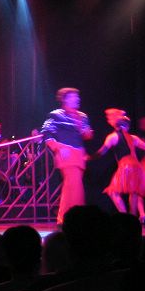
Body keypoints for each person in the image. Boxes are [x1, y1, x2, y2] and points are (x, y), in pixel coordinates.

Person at [91, 109, 145, 222]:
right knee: (134, 192)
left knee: (113, 192)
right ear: (127, 126)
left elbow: (101, 152)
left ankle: (125, 217)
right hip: (137, 166)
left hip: (125, 165)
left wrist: (88, 157)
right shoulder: (133, 138)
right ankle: (132, 217)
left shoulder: (112, 136)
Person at [40, 87, 93, 225]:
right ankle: (75, 218)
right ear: (65, 99)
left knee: (71, 187)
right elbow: (46, 133)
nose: (77, 99)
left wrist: (87, 132)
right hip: (66, 153)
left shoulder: (82, 116)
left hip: (79, 155)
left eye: (77, 97)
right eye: (74, 97)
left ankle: (65, 218)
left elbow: (86, 135)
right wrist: (58, 147)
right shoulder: (56, 115)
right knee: (75, 185)